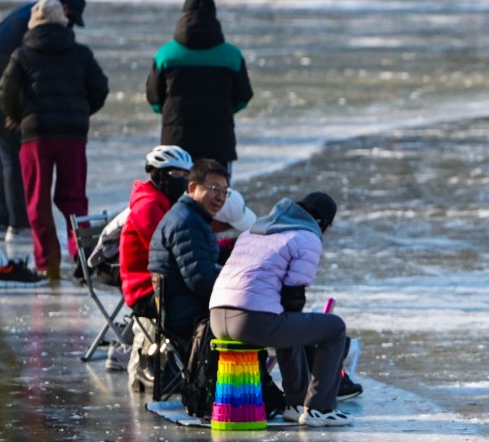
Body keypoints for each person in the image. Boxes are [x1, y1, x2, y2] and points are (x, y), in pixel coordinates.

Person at [208, 192, 352, 427]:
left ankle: (295, 404)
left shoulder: (253, 231)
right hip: (250, 321)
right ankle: (320, 408)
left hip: (217, 317)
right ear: (323, 224)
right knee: (334, 328)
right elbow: (294, 292)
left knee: (289, 322)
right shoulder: (306, 236)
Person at [0, 0, 86, 280]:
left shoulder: (31, 11)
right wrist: (15, 113)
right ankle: (19, 226)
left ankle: (7, 221)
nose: (71, 25)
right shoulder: (37, 24)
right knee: (11, 152)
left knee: (4, 154)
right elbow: (21, 70)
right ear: (64, 10)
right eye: (72, 18)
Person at [0, 0, 109, 281]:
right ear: (63, 21)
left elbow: (5, 91)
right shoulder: (81, 53)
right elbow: (100, 88)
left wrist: (19, 116)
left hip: (36, 136)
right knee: (74, 198)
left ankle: (48, 263)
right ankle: (82, 257)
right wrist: (81, 113)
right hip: (72, 135)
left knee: (37, 200)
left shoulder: (22, 55)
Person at [145, 0, 253, 172]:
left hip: (177, 141)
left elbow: (154, 99)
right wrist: (224, 108)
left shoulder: (166, 54)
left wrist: (171, 112)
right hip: (218, 141)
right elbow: (243, 96)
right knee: (217, 194)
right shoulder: (231, 55)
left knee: (177, 194)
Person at [120, 145, 194, 385]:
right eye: (175, 175)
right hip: (146, 290)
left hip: (159, 284)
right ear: (158, 175)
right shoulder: (150, 206)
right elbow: (168, 251)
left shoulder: (162, 201)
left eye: (186, 175)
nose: (182, 181)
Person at [148, 159, 228, 344]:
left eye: (225, 191)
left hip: (186, 304)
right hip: (186, 314)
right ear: (192, 188)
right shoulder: (187, 222)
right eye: (214, 188)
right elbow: (201, 280)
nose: (220, 197)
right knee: (253, 318)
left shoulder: (192, 216)